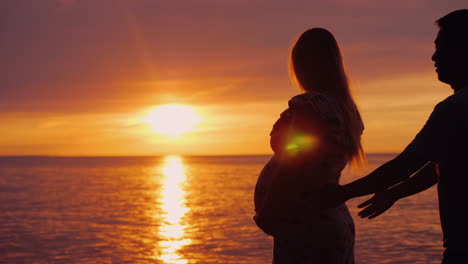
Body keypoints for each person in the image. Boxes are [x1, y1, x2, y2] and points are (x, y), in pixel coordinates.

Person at [321, 9, 468, 264]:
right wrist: (396, 192)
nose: (435, 56)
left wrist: (342, 193)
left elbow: (403, 165)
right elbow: (442, 163)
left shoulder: (454, 109)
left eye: (443, 47)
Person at [253, 28, 365, 264]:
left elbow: (294, 161)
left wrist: (270, 210)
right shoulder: (345, 109)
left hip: (305, 223)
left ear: (305, 64)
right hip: (330, 219)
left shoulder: (311, 105)